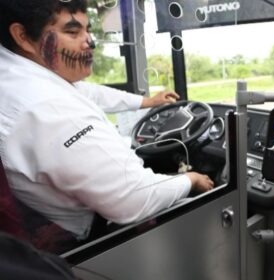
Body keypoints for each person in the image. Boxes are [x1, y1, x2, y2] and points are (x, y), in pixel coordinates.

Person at [0, 0, 214, 245]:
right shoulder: (50, 107)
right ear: (23, 36)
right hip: (89, 240)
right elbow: (134, 199)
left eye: (88, 29)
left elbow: (87, 91)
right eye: (72, 31)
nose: (89, 41)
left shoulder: (19, 76)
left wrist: (147, 102)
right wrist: (190, 179)